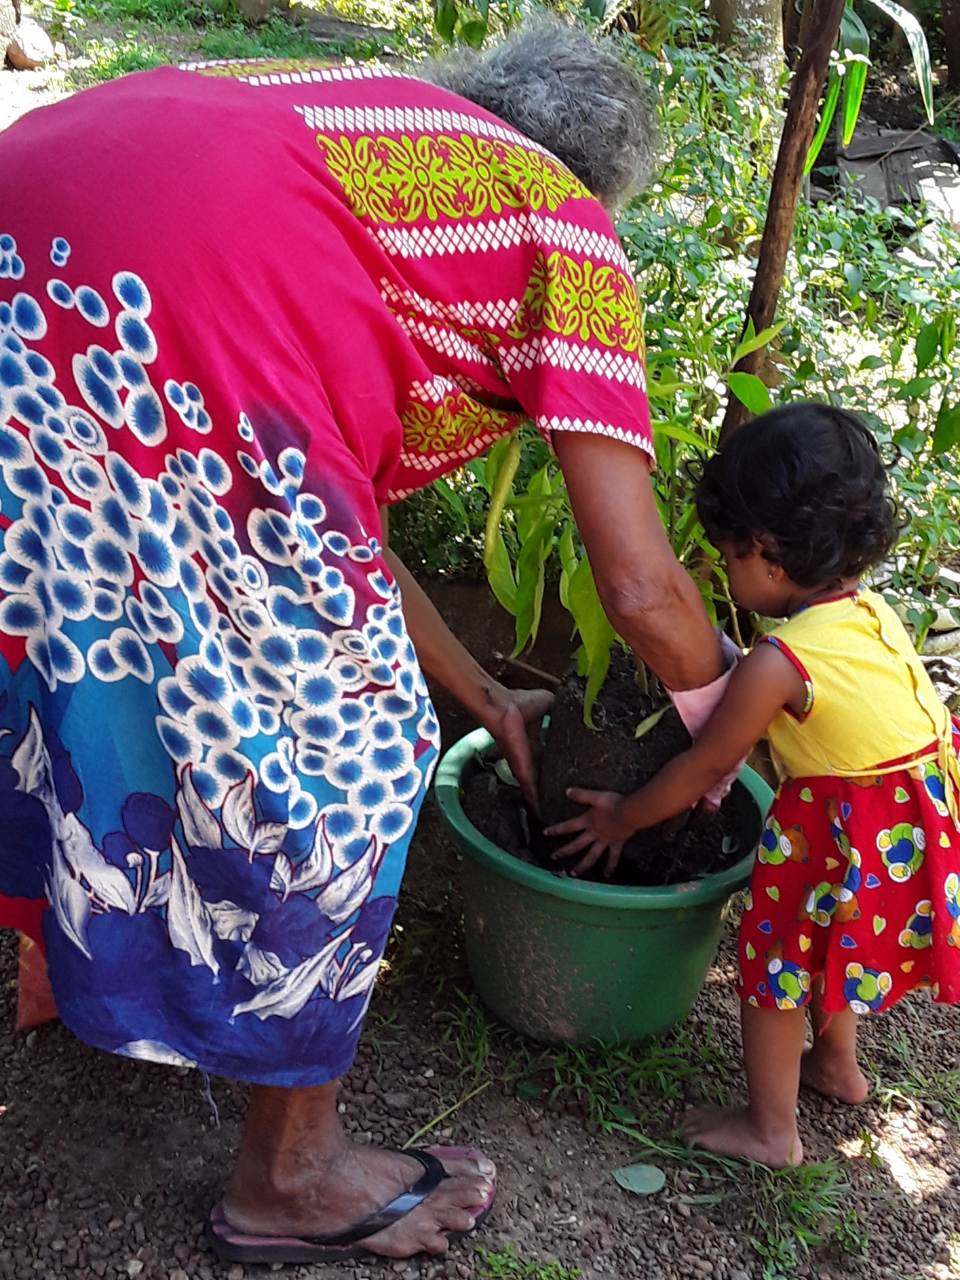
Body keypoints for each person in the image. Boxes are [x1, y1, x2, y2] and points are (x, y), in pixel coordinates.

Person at [0, 21, 730, 1264]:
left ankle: (60, 963)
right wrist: (728, 710)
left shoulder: (368, 126)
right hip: (155, 324)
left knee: (61, 634)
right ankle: (290, 1174)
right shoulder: (562, 222)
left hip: (36, 255)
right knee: (358, 745)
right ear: (590, 176)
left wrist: (485, 691)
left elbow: (345, 531)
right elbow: (641, 585)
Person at [548, 403, 960, 1167]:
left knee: (775, 965)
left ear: (766, 553)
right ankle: (837, 1067)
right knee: (830, 944)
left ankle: (772, 1131)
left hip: (846, 827)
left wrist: (622, 819)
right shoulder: (868, 612)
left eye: (728, 556)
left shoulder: (780, 664)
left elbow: (704, 766)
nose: (725, 574)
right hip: (912, 824)